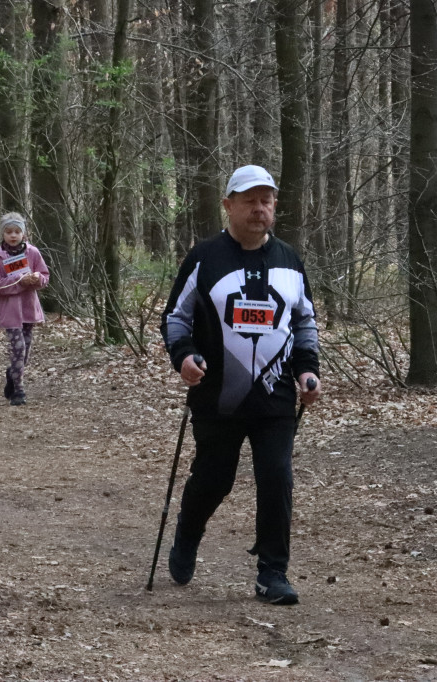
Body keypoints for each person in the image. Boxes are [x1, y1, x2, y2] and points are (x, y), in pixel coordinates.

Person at [160, 165, 321, 605]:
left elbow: (304, 321)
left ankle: (272, 573)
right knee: (214, 479)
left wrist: (308, 370)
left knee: (276, 477)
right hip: (218, 395)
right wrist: (185, 357)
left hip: (275, 398)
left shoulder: (289, 260)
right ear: (228, 205)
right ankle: (187, 535)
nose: (259, 208)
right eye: (249, 200)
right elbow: (176, 318)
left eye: (266, 200)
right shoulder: (205, 258)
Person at [0, 212, 50, 406]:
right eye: (8, 232)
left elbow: (45, 277)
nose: (13, 235)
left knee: (25, 353)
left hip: (29, 308)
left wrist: (37, 278)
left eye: (17, 231)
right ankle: (19, 390)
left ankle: (12, 375)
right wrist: (19, 280)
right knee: (18, 349)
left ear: (24, 233)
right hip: (10, 311)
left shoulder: (33, 253)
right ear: (2, 234)